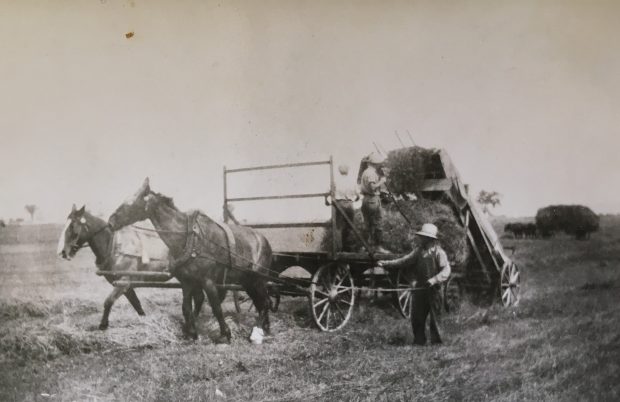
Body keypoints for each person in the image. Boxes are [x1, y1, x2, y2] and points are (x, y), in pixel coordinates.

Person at [377, 223, 451, 345]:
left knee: (435, 318)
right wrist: (385, 263)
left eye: (423, 237)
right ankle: (419, 341)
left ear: (430, 239)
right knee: (417, 317)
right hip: (420, 289)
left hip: (435, 290)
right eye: (421, 237)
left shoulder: (439, 253)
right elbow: (404, 261)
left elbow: (446, 270)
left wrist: (434, 280)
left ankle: (437, 343)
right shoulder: (418, 252)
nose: (421, 239)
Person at [360, 152, 390, 254]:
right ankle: (378, 247)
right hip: (373, 199)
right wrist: (382, 181)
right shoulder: (371, 173)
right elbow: (372, 187)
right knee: (377, 223)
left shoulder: (365, 172)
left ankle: (366, 247)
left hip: (366, 199)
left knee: (367, 224)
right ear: (375, 164)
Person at [326, 164, 360, 251]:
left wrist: (326, 200)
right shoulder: (352, 181)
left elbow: (327, 192)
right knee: (349, 226)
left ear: (339, 171)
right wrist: (354, 199)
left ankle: (339, 248)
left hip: (339, 204)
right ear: (347, 171)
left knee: (338, 227)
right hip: (349, 204)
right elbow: (358, 195)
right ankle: (348, 247)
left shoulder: (335, 181)